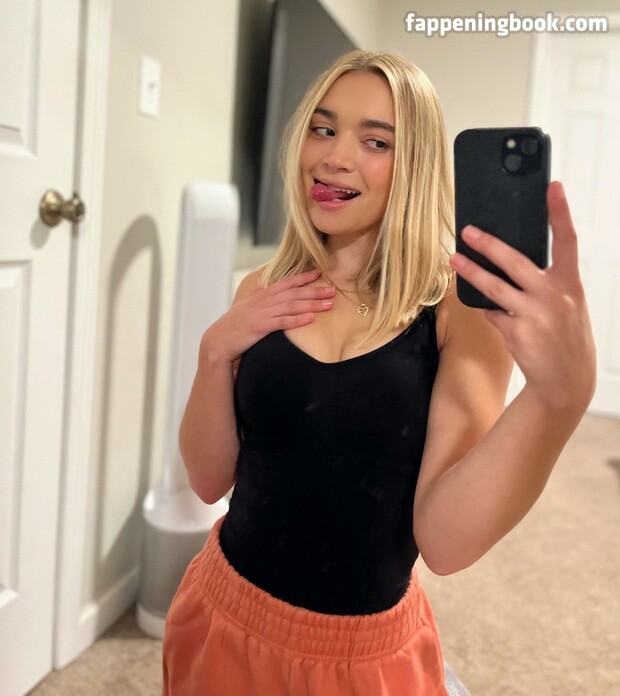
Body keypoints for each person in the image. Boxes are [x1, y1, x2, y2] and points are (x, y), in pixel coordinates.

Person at [161, 50, 596, 696]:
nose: (334, 157)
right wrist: (213, 352)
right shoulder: (264, 288)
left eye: (376, 142)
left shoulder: (456, 312)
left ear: (414, 164)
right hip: (222, 613)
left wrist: (559, 399)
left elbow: (445, 544)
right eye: (323, 128)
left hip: (360, 659)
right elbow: (206, 480)